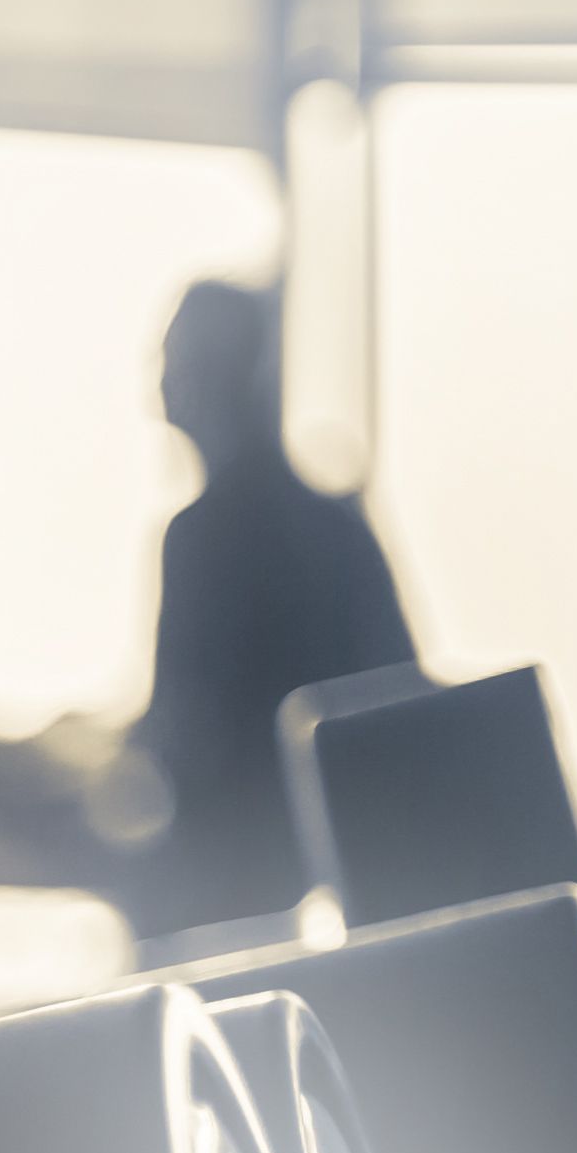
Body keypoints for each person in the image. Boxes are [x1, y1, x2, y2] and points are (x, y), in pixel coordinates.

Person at [129, 275, 415, 947]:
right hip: (358, 894)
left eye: (171, 363)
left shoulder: (200, 539)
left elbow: (183, 736)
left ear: (204, 377)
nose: (157, 389)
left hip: (235, 907)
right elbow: (410, 713)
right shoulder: (341, 526)